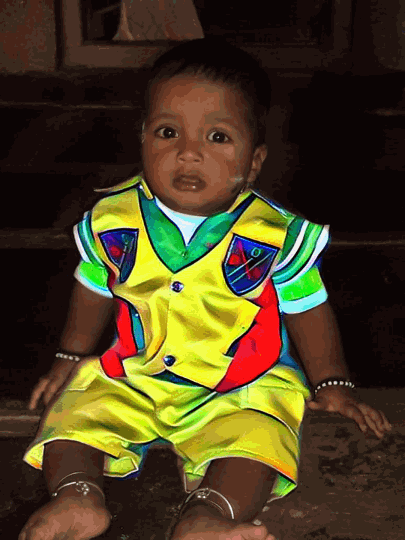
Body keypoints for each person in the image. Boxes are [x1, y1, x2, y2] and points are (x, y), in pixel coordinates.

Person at [19, 38, 392, 540]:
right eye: (168, 132)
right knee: (76, 411)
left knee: (259, 434)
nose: (189, 152)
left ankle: (209, 514)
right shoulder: (113, 220)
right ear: (142, 139)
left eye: (218, 137)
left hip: (240, 385)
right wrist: (70, 355)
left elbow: (308, 307)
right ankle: (76, 495)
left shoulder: (274, 236)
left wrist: (331, 382)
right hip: (139, 372)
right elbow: (94, 287)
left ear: (254, 161)